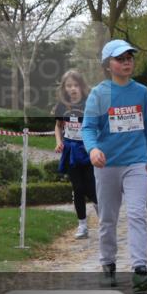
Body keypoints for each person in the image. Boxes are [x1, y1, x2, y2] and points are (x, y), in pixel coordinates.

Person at [81, 39, 147, 292]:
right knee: (107, 218)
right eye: (120, 59)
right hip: (107, 164)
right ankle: (108, 265)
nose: (127, 62)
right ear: (108, 65)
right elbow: (88, 128)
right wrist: (93, 149)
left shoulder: (142, 92)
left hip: (136, 161)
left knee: (137, 214)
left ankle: (140, 270)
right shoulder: (99, 94)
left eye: (129, 58)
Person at [53, 70, 97, 240]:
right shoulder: (62, 105)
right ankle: (82, 225)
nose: (72, 89)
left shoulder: (89, 103)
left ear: (82, 86)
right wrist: (59, 142)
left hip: (88, 149)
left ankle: (102, 214)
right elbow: (58, 126)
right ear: (64, 88)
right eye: (69, 85)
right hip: (71, 150)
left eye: (76, 85)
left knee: (91, 188)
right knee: (78, 188)